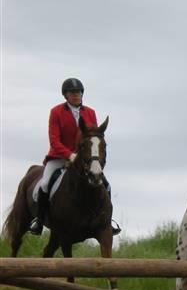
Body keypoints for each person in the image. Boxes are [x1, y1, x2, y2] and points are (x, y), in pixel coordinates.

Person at [29, 78, 120, 236]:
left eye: (78, 92)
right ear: (66, 95)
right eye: (72, 93)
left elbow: (93, 136)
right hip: (59, 157)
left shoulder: (90, 112)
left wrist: (87, 157)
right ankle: (39, 219)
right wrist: (70, 155)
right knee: (44, 184)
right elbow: (54, 141)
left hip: (84, 160)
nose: (76, 95)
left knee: (106, 185)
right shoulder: (56, 112)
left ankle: (107, 221)